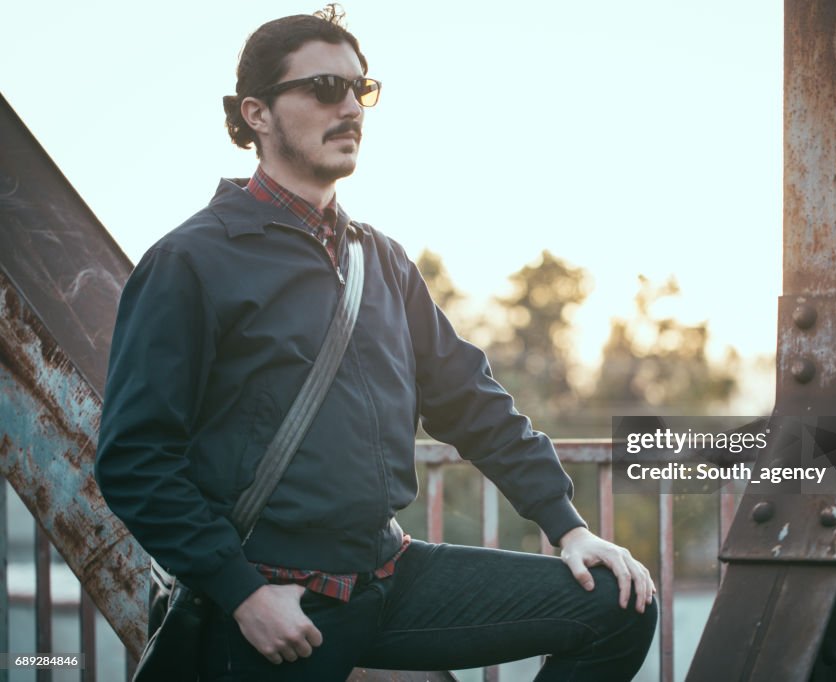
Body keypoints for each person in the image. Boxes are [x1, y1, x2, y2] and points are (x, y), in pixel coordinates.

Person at [95, 6, 657, 680]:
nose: (351, 107)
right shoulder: (193, 262)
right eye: (324, 88)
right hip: (278, 605)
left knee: (620, 606)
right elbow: (134, 459)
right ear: (257, 114)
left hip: (390, 577)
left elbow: (471, 402)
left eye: (360, 90)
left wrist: (567, 526)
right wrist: (241, 594)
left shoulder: (380, 261)